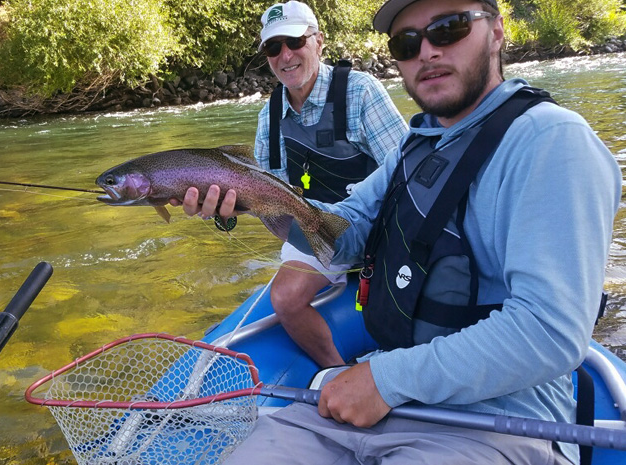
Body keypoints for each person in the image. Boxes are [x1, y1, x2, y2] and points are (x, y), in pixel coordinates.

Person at [177, 0, 621, 463]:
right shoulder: (417, 145)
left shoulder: (552, 142)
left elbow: (549, 332)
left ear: (496, 32)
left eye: (448, 29)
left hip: (492, 423)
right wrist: (253, 199)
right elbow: (341, 237)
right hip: (382, 402)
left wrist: (385, 379)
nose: (426, 51)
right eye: (407, 42)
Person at [194, 1, 407, 368]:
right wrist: (223, 215)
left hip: (378, 228)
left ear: (319, 42)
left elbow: (407, 171)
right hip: (310, 229)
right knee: (286, 297)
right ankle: (337, 372)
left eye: (294, 41)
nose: (285, 55)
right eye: (273, 48)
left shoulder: (360, 92)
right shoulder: (269, 117)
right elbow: (263, 197)